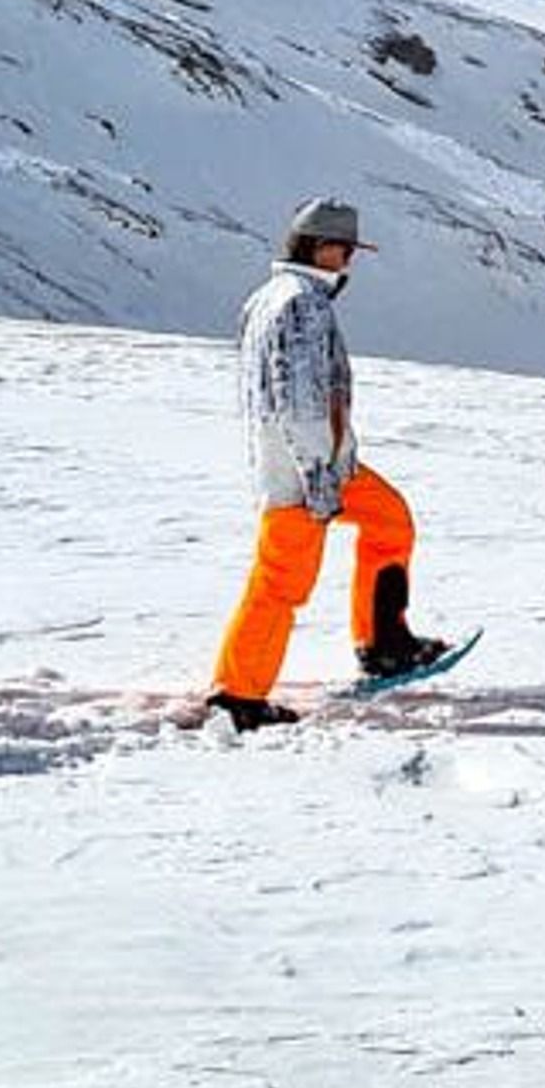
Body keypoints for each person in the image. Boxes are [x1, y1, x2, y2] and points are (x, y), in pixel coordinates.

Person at [206, 196, 445, 732]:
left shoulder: (269, 298)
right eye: (346, 252)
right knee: (282, 579)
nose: (350, 264)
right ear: (322, 248)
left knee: (389, 518)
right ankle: (238, 695)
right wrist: (319, 479)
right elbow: (301, 403)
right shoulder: (302, 305)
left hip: (317, 462)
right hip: (303, 472)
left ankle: (385, 641)